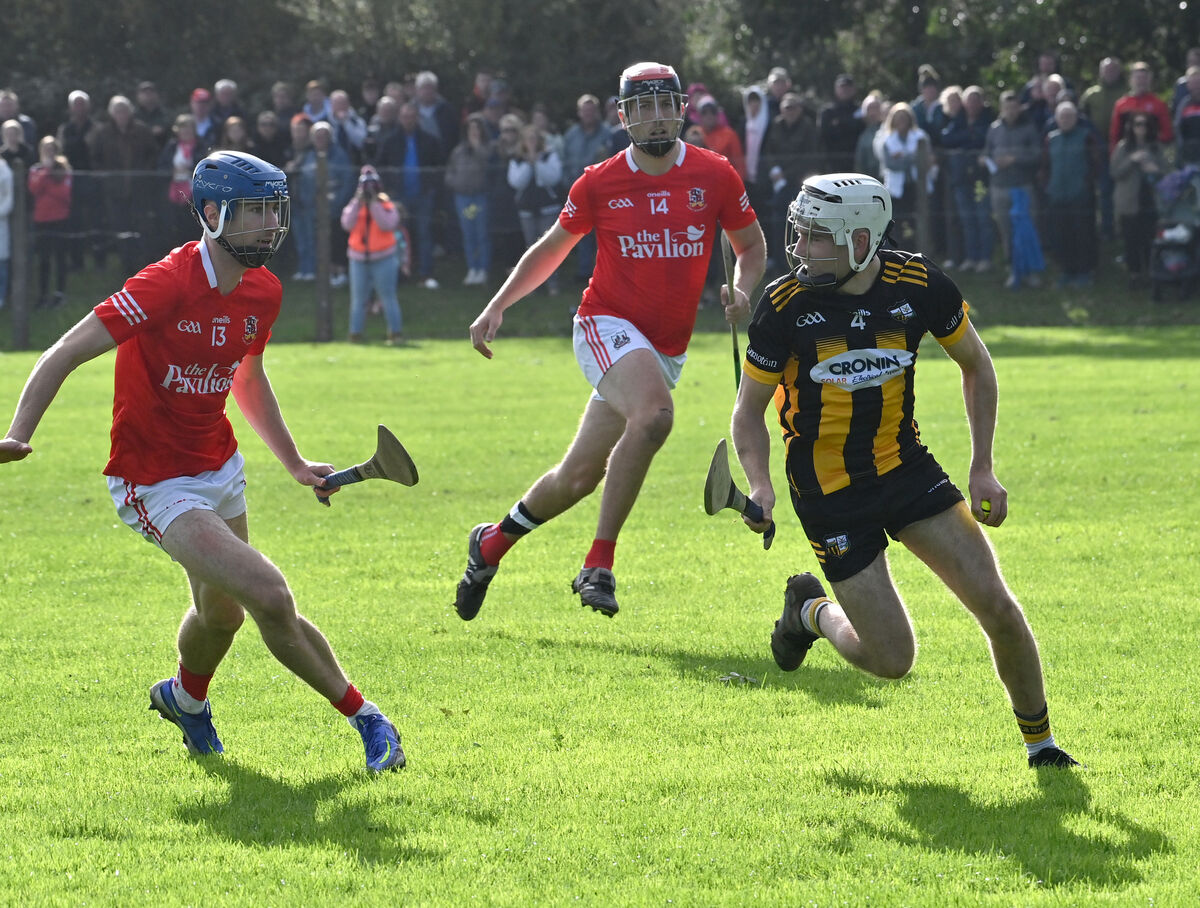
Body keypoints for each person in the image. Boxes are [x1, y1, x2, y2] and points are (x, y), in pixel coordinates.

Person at [0, 150, 405, 773]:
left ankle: (185, 700)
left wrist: (294, 462)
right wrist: (18, 433)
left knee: (223, 614)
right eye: (255, 213)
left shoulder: (262, 291)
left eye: (276, 211)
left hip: (218, 465)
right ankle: (369, 718)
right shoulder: (163, 284)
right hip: (153, 480)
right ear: (212, 214)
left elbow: (246, 373)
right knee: (269, 593)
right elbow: (62, 352)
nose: (271, 226)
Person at [729, 172, 1077, 770]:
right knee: (892, 661)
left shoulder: (917, 284)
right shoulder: (785, 305)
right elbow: (747, 416)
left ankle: (1041, 746)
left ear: (861, 240)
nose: (800, 249)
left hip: (907, 471)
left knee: (998, 606)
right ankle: (809, 611)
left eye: (818, 238)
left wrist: (983, 468)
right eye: (801, 234)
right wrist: (759, 484)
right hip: (830, 492)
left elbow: (978, 366)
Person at [456, 62, 766, 619]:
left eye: (663, 105)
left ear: (681, 110)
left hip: (664, 349)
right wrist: (497, 305)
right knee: (655, 417)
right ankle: (598, 563)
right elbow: (552, 249)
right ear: (623, 118)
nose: (653, 118)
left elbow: (751, 247)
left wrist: (742, 293)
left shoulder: (715, 175)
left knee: (576, 477)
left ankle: (491, 544)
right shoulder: (599, 182)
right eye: (640, 108)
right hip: (606, 325)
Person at [982, 91, 1043, 289]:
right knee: (1006, 232)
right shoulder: (994, 129)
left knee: (1026, 231)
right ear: (1002, 108)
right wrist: (985, 159)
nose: (1011, 111)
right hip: (999, 187)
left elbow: (1037, 155)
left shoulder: (1029, 128)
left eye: (1014, 107)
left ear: (1019, 108)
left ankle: (1031, 273)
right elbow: (986, 151)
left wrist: (1015, 160)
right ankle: (1013, 271)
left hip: (1022, 187)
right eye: (1007, 107)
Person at [341, 164, 406, 343]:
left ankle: (396, 333)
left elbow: (387, 224)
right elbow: (346, 223)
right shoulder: (356, 204)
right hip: (358, 259)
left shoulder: (386, 205)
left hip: (384, 258)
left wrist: (374, 203)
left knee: (388, 297)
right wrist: (358, 200)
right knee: (358, 300)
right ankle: (355, 335)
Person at [1040, 101, 1099, 286]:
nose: (1065, 120)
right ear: (1056, 119)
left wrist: (1086, 185)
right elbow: (1044, 166)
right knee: (1061, 235)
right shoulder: (1051, 138)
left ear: (1076, 118)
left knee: (1083, 235)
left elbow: (1096, 163)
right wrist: (1047, 187)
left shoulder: (1086, 136)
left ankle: (1084, 272)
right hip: (1057, 196)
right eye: (1062, 116)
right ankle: (1066, 271)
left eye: (1069, 116)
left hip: (1080, 196)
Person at [1110, 115, 1168, 286]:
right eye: (1137, 124)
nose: (1141, 128)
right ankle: (1134, 274)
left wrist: (1155, 170)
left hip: (1151, 200)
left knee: (1150, 238)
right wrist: (1131, 160)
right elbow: (1114, 172)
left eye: (1145, 125)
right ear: (1132, 127)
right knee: (1131, 239)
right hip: (1129, 201)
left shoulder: (1156, 147)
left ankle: (1152, 272)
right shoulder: (1123, 147)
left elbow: (1167, 175)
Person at [508, 123, 564, 294]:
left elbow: (552, 178)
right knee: (530, 247)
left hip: (547, 208)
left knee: (549, 246)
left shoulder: (549, 156)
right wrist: (528, 162)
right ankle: (531, 285)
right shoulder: (517, 160)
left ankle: (552, 283)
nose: (531, 142)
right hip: (527, 210)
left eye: (534, 139)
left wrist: (537, 162)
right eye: (528, 139)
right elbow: (516, 182)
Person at [445, 112, 494, 286]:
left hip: (479, 197)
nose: (473, 132)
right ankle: (472, 268)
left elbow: (487, 164)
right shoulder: (458, 151)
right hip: (462, 198)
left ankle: (483, 269)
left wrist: (477, 147)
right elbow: (449, 172)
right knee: (469, 234)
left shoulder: (488, 147)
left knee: (481, 234)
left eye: (476, 128)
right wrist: (455, 183)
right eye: (470, 129)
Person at [1080, 57, 1125, 240]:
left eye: (1113, 70)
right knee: (1104, 190)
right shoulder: (1091, 94)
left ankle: (1124, 228)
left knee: (1123, 189)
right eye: (1106, 70)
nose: (1110, 73)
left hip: (1122, 149)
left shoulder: (1125, 94)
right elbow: (1082, 121)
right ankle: (1107, 228)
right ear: (1100, 72)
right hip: (1098, 150)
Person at [28, 137, 73, 308]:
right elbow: (34, 189)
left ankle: (60, 293)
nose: (49, 153)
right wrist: (46, 172)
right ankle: (43, 294)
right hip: (42, 219)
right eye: (46, 149)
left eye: (52, 149)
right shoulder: (36, 169)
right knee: (44, 259)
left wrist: (46, 185)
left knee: (60, 257)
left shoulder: (65, 169)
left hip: (60, 219)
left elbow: (64, 194)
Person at [1109, 62, 1174, 150]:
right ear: (1130, 80)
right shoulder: (1121, 105)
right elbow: (1114, 135)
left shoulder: (1159, 104)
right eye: (1138, 78)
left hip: (1152, 153)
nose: (1141, 81)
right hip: (1127, 153)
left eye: (1144, 78)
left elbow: (1167, 133)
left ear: (1150, 80)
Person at [818, 74, 863, 172]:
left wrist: (840, 124)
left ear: (854, 89)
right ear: (836, 89)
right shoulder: (827, 111)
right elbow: (825, 135)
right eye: (842, 87)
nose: (845, 90)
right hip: (833, 165)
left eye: (848, 87)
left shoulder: (860, 110)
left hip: (856, 163)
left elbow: (860, 131)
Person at [0, 156, 11, 310]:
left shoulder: (4, 170)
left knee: (2, 262)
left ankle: (1, 297)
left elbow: (9, 199)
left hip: (1, 222)